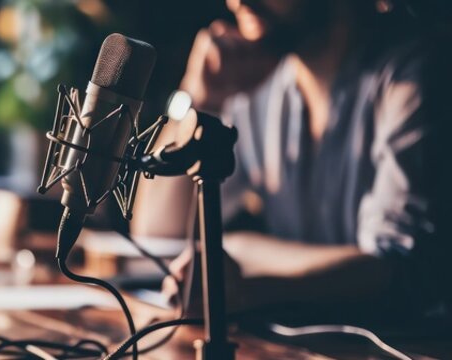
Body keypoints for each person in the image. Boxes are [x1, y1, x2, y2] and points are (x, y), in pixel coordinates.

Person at [133, 0, 449, 319]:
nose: (237, 2)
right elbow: (157, 233)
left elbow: (397, 268)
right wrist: (198, 99)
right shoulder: (252, 81)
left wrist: (243, 259)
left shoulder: (417, 71)